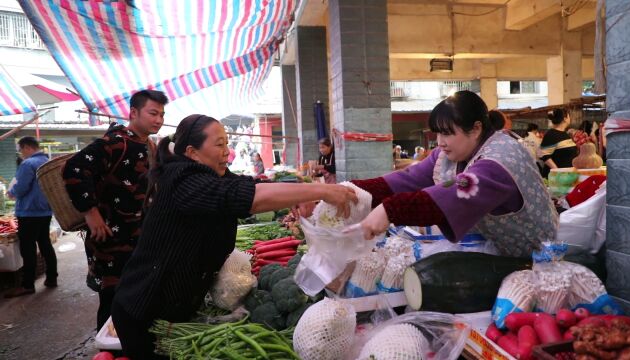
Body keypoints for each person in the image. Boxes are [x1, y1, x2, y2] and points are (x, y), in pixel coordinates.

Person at [111, 114, 357, 359]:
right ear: (192, 152)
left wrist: (300, 192)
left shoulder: (211, 175)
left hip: (174, 310)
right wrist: (322, 189)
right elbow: (248, 197)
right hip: (143, 312)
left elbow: (249, 185)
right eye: (219, 144)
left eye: (227, 143)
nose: (226, 152)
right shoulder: (182, 180)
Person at [338, 90, 557, 259]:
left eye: (447, 133)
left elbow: (457, 191)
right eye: (437, 134)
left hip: (539, 260)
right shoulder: (449, 155)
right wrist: (348, 191)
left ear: (476, 129)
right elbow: (407, 179)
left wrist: (389, 210)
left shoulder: (502, 158)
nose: (439, 142)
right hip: (501, 253)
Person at [62, 90, 168, 330]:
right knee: (112, 302)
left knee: (134, 299)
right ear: (133, 112)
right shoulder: (117, 142)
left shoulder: (149, 146)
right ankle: (107, 350)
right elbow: (74, 168)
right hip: (110, 238)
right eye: (153, 113)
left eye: (162, 114)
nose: (159, 119)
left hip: (139, 239)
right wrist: (91, 213)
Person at [4, 137, 57, 298]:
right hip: (45, 211)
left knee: (27, 248)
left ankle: (27, 285)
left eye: (21, 150)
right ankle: (51, 278)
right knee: (45, 243)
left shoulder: (28, 164)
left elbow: (20, 187)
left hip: (29, 211)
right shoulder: (46, 161)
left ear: (27, 147)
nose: (21, 153)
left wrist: (11, 193)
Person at [540, 109, 578, 177]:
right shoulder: (551, 134)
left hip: (567, 175)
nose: (570, 119)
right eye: (569, 116)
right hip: (556, 178)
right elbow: (543, 154)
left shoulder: (565, 134)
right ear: (565, 119)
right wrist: (557, 170)